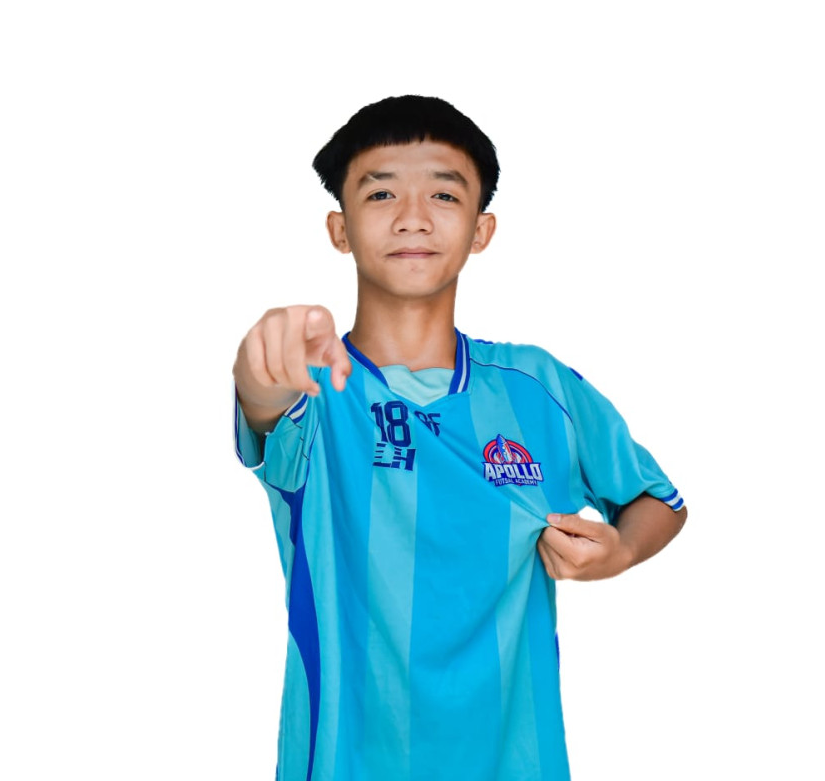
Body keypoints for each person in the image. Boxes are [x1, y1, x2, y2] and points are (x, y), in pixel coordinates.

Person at [232, 95, 687, 781]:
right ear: (339, 229)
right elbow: (263, 398)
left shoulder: (539, 388)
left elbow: (658, 499)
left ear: (481, 230)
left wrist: (620, 549)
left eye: (443, 194)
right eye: (381, 192)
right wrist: (262, 359)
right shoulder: (315, 387)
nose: (413, 216)